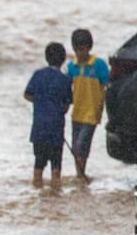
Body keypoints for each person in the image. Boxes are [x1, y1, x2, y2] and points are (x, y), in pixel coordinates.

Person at [24, 41, 72, 189]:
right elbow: (67, 104)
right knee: (56, 167)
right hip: (56, 129)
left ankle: (38, 189)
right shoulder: (65, 80)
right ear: (63, 59)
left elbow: (27, 95)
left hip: (39, 128)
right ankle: (55, 195)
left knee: (38, 164)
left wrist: (39, 102)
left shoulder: (38, 75)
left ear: (46, 58)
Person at [64, 27, 109, 181]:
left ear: (89, 48)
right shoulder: (71, 66)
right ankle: (80, 174)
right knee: (76, 145)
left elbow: (107, 85)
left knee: (82, 144)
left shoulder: (99, 65)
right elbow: (67, 87)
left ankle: (80, 175)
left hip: (91, 112)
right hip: (76, 111)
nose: (80, 53)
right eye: (77, 50)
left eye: (83, 49)